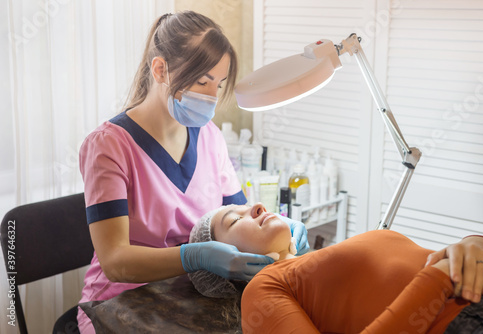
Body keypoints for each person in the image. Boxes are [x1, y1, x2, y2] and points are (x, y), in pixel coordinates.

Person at [77, 11, 310, 333]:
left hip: (193, 297)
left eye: (219, 83)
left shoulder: (210, 136)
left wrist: (280, 227)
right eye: (202, 81)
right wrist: (195, 257)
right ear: (160, 69)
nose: (213, 96)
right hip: (120, 306)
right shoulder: (109, 146)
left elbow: (238, 216)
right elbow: (115, 262)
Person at [188, 203, 483, 333]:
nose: (255, 206)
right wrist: (438, 279)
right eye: (233, 220)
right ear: (227, 260)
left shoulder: (322, 258)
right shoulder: (262, 289)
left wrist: (480, 244)